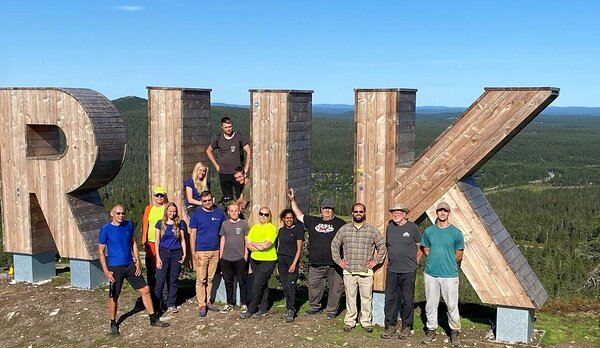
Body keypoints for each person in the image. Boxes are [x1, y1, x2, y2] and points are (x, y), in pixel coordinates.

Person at [98, 204, 169, 336]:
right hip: (114, 267)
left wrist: (137, 261)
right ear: (112, 214)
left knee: (145, 289)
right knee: (114, 295)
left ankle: (153, 319)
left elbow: (133, 243)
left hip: (130, 265)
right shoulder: (105, 229)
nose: (121, 216)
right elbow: (101, 251)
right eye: (118, 213)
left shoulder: (128, 225)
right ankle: (113, 323)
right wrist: (106, 270)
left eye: (123, 213)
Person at [288, 188, 346, 320]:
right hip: (316, 263)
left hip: (334, 264)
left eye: (329, 208)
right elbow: (299, 215)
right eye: (325, 208)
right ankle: (315, 308)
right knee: (314, 287)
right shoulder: (313, 221)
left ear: (333, 210)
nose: (327, 210)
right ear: (320, 210)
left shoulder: (340, 223)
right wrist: (293, 200)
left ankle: (331, 311)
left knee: (336, 288)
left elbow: (348, 239)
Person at [331, 203, 386, 333]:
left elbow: (382, 246)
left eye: (361, 211)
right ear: (352, 213)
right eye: (356, 211)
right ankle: (350, 321)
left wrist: (376, 261)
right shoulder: (344, 229)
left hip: (366, 272)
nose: (358, 213)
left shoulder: (372, 230)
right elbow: (334, 245)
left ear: (364, 213)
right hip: (349, 271)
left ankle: (366, 322)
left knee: (366, 298)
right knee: (350, 297)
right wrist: (339, 261)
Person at [420, 202, 465, 347]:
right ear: (437, 213)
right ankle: (431, 330)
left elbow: (459, 253)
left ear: (448, 213)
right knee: (430, 304)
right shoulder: (429, 231)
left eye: (445, 211)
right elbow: (425, 247)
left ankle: (454, 331)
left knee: (452, 304)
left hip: (449, 274)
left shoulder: (456, 233)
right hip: (431, 273)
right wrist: (432, 256)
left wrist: (449, 261)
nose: (442, 213)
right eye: (440, 210)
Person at [380, 204, 423, 340]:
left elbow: (420, 247)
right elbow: (388, 246)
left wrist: (415, 263)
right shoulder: (390, 227)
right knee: (390, 299)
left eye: (399, 212)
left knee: (407, 299)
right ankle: (390, 326)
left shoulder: (413, 228)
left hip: (408, 270)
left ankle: (406, 326)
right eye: (393, 212)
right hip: (392, 269)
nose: (395, 214)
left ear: (405, 214)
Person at [189, 191, 226, 317]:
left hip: (215, 250)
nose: (207, 203)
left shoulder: (219, 213)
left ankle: (208, 300)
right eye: (204, 201)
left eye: (209, 200)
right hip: (201, 250)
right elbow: (193, 234)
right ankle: (201, 304)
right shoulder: (196, 215)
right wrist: (193, 252)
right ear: (201, 201)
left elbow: (223, 231)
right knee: (201, 279)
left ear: (213, 199)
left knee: (210, 278)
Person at [239, 207, 277, 319]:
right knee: (262, 284)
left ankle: (251, 309)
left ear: (269, 216)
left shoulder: (271, 228)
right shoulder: (254, 228)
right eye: (261, 214)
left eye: (266, 214)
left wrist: (255, 244)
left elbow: (266, 245)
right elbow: (248, 244)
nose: (263, 216)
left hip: (268, 260)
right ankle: (263, 309)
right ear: (258, 214)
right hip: (255, 260)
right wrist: (258, 245)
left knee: (256, 285)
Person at [206, 117, 251, 201]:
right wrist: (216, 166)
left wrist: (246, 168)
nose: (228, 129)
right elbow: (208, 151)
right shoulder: (218, 138)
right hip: (224, 172)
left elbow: (249, 151)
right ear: (222, 127)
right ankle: (228, 212)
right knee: (227, 198)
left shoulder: (239, 137)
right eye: (226, 127)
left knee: (240, 197)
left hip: (237, 174)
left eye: (230, 126)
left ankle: (241, 213)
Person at [138, 186, 169, 309]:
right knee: (151, 272)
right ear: (154, 196)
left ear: (164, 196)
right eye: (157, 195)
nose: (159, 198)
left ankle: (164, 298)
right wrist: (143, 240)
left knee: (162, 271)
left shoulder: (167, 208)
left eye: (161, 195)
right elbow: (145, 223)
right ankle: (151, 296)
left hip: (163, 243)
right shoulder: (148, 208)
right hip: (150, 243)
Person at [154, 202, 187, 313]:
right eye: (170, 211)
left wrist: (184, 253)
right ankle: (157, 304)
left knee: (173, 279)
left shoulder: (179, 223)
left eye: (174, 211)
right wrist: (158, 258)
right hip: (163, 253)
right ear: (166, 212)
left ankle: (171, 303)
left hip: (176, 253)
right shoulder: (160, 224)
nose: (172, 213)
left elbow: (182, 240)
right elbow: (157, 241)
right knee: (160, 279)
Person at [219, 201, 250, 314]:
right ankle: (229, 303)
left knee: (242, 282)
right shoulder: (224, 224)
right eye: (231, 211)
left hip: (240, 258)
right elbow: (222, 240)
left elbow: (246, 241)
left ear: (239, 211)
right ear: (228, 212)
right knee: (228, 282)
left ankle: (244, 303)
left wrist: (245, 256)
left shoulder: (244, 224)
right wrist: (221, 256)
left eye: (235, 211)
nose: (233, 213)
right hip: (226, 258)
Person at [277, 209, 305, 322]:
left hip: (292, 260)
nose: (289, 220)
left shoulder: (298, 230)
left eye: (291, 218)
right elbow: (279, 246)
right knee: (285, 286)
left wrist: (294, 263)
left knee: (291, 286)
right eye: (287, 218)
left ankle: (291, 310)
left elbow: (299, 249)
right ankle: (288, 308)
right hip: (281, 260)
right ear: (283, 219)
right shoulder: (281, 231)